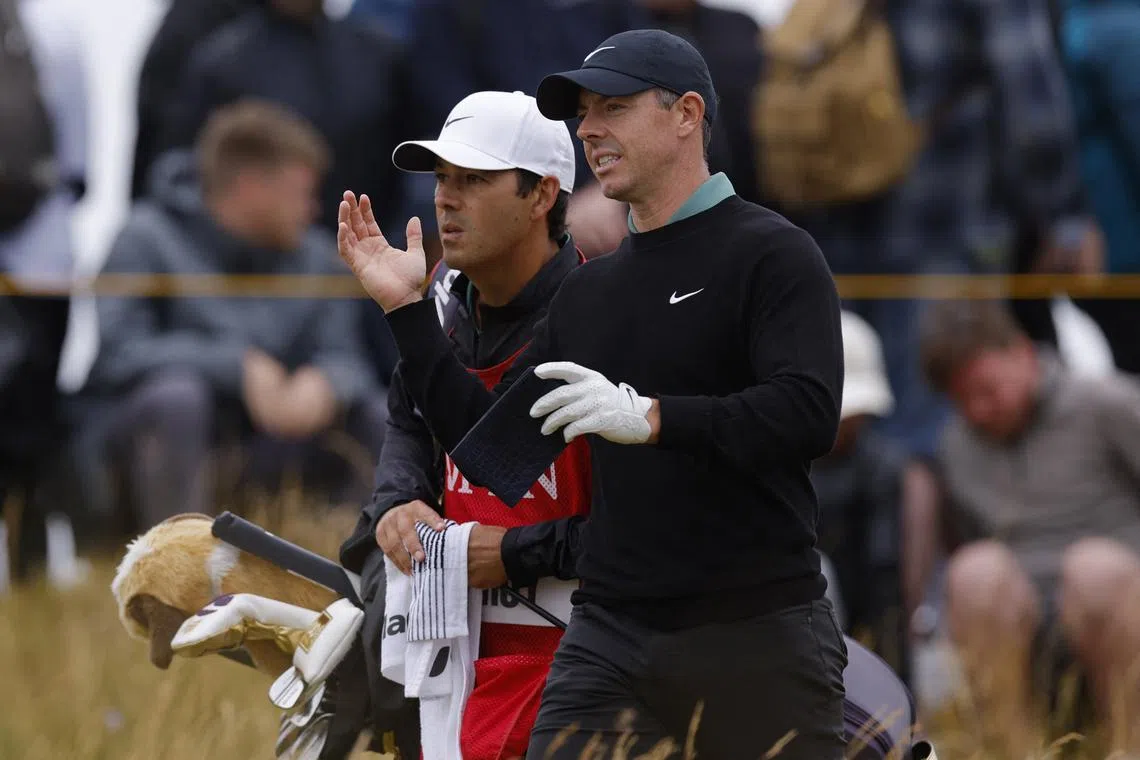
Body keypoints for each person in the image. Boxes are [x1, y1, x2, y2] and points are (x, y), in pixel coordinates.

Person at [338, 29, 848, 759]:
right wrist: (408, 316)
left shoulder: (773, 253)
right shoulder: (592, 292)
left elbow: (806, 413)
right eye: (583, 113)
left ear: (686, 114)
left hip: (757, 628)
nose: (588, 129)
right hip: (611, 638)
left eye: (611, 106)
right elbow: (494, 455)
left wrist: (653, 419)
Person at [336, 90, 592, 760]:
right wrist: (396, 501)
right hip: (455, 658)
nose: (446, 198)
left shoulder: (601, 318)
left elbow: (636, 533)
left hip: (582, 669)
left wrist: (506, 554)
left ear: (543, 195)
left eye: (474, 179)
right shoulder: (445, 305)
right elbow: (411, 419)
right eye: (442, 179)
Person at [83, 100, 387, 530]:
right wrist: (235, 368)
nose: (312, 209)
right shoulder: (145, 237)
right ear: (249, 186)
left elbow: (350, 357)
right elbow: (118, 354)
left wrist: (327, 384)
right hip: (177, 440)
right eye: (301, 192)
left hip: (279, 442)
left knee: (375, 411)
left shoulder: (318, 256)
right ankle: (177, 565)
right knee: (177, 399)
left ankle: (359, 567)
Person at [920, 300, 1140, 757]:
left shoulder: (1106, 403)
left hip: (1119, 605)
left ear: (1021, 353)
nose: (980, 410)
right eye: (963, 400)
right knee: (974, 572)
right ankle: (1013, 750)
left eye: (988, 389)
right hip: (1024, 625)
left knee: (1094, 571)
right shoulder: (957, 445)